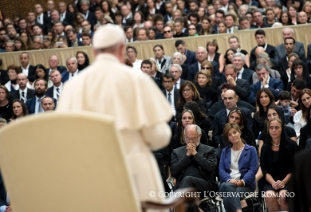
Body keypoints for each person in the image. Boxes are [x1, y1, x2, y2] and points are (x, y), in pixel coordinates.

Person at [57, 24, 173, 204]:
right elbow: (158, 137)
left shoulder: (72, 87)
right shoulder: (136, 79)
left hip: (92, 175)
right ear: (122, 49)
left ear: (94, 52)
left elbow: (66, 140)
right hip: (134, 172)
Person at [171, 124, 217, 210]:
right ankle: (198, 209)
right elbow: (174, 171)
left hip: (204, 185)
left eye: (193, 138)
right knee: (186, 186)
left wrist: (195, 154)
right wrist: (187, 156)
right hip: (183, 186)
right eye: (188, 138)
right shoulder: (176, 152)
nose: (190, 141)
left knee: (187, 180)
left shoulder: (209, 150)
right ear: (184, 136)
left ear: (199, 136)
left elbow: (210, 168)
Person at [219, 122, 258, 212]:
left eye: (234, 132)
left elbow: (253, 170)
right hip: (226, 184)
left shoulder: (251, 150)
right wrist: (229, 180)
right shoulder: (225, 151)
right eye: (229, 134)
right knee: (228, 186)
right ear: (228, 138)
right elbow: (221, 170)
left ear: (239, 132)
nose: (233, 135)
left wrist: (242, 182)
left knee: (229, 197)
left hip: (245, 185)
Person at [260, 117, 297, 212]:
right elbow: (264, 170)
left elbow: (294, 168)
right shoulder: (265, 147)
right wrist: (273, 183)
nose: (274, 130)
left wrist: (283, 182)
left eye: (277, 127)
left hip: (288, 180)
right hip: (271, 181)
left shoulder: (291, 145)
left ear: (282, 129)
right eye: (271, 128)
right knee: (269, 195)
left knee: (284, 195)